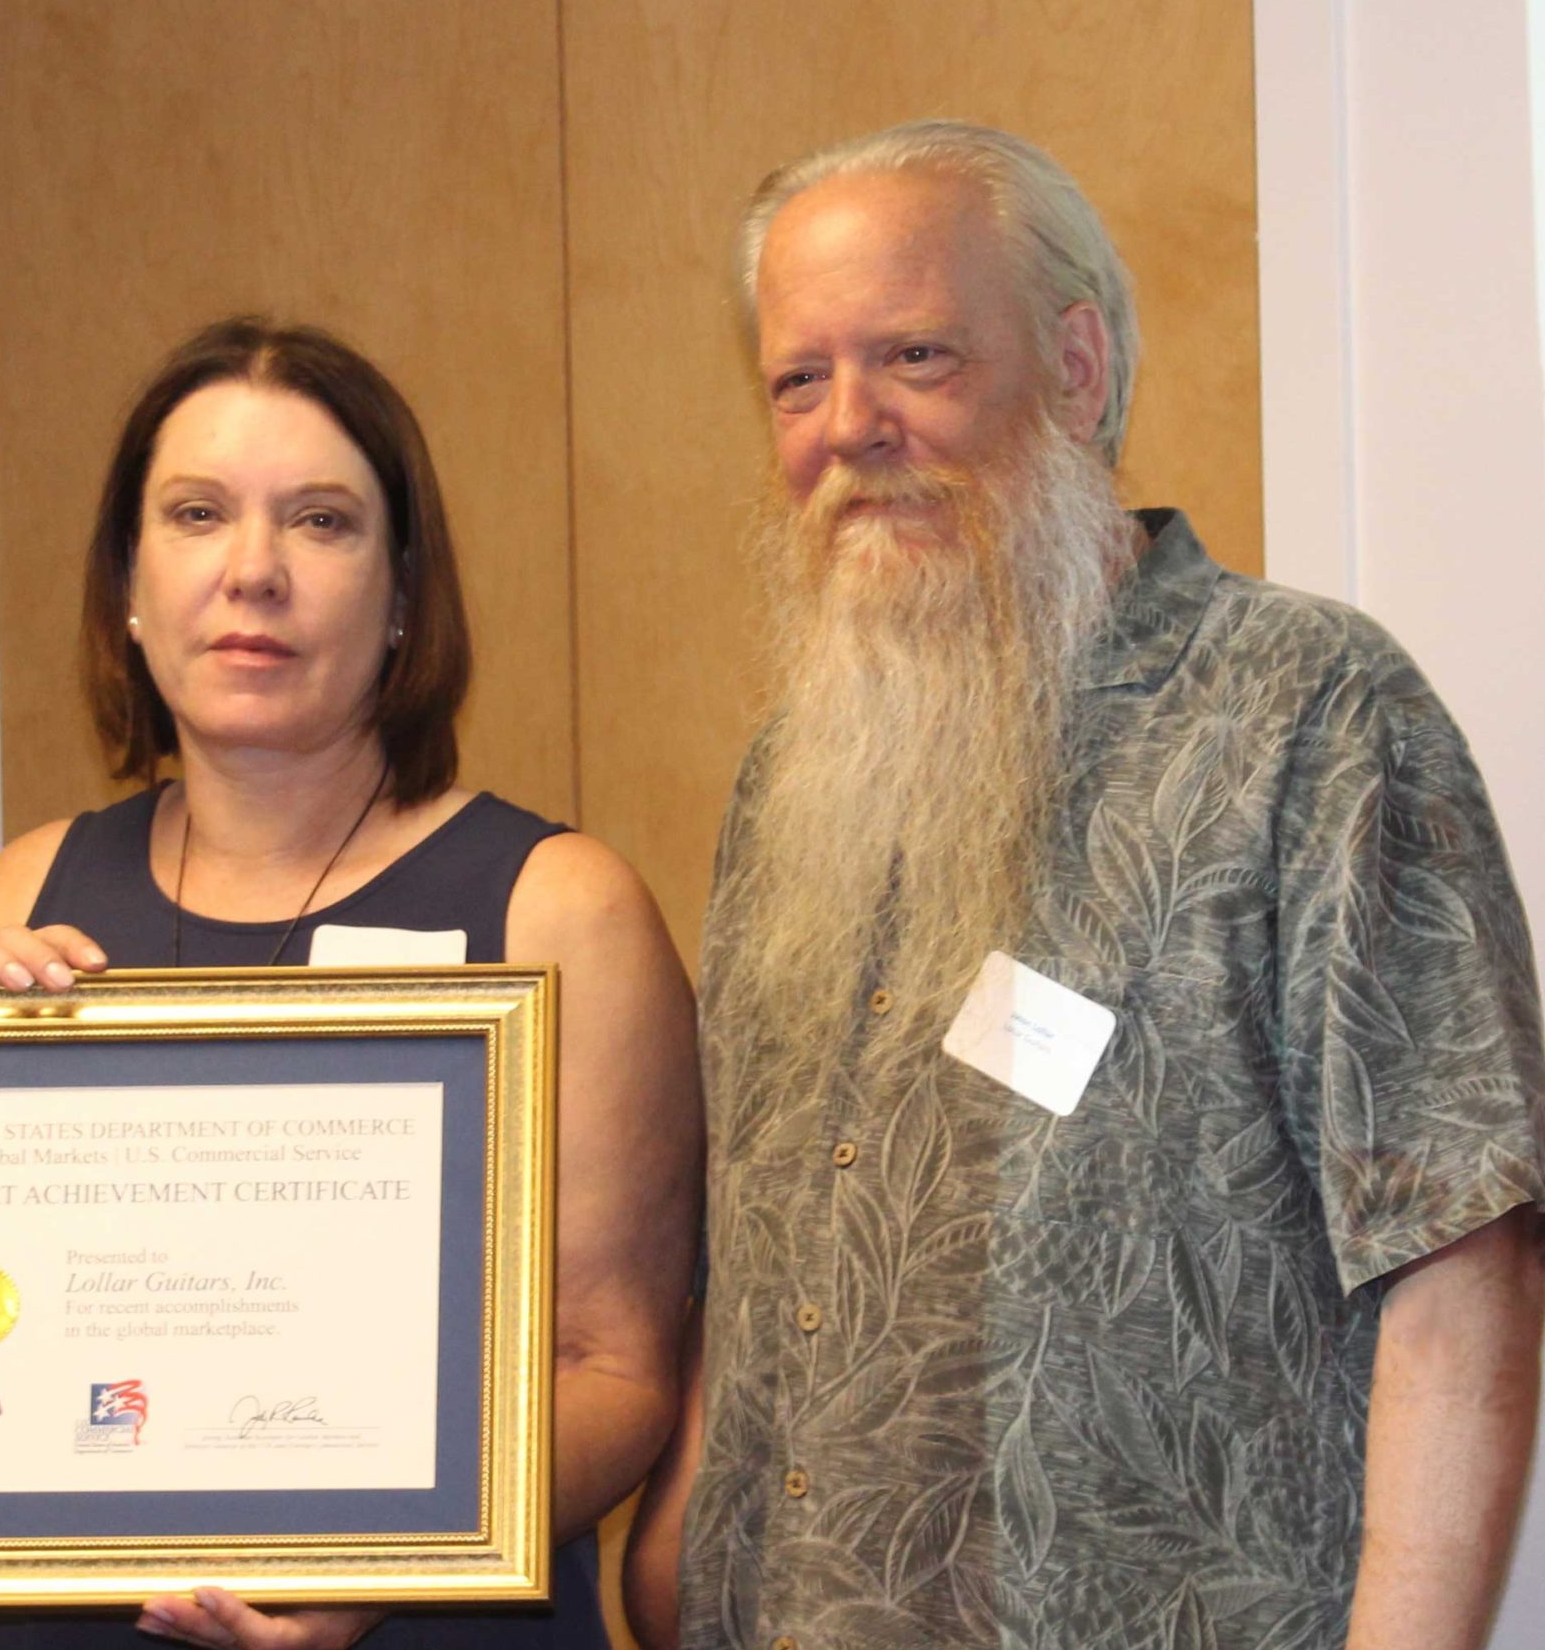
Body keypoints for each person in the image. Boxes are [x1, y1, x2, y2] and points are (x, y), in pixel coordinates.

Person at [621, 120, 1545, 1650]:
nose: (849, 427)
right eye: (799, 378)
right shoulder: (792, 772)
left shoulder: (1308, 712)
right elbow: (760, 1249)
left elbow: (1460, 1258)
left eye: (916, 356)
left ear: (1075, 366)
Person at [0, 318, 699, 1650]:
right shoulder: (21, 899)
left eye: (322, 521)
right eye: (197, 514)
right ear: (129, 577)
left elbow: (617, 1371)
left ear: (403, 592)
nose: (252, 572)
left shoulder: (560, 909)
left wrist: (386, 1559)